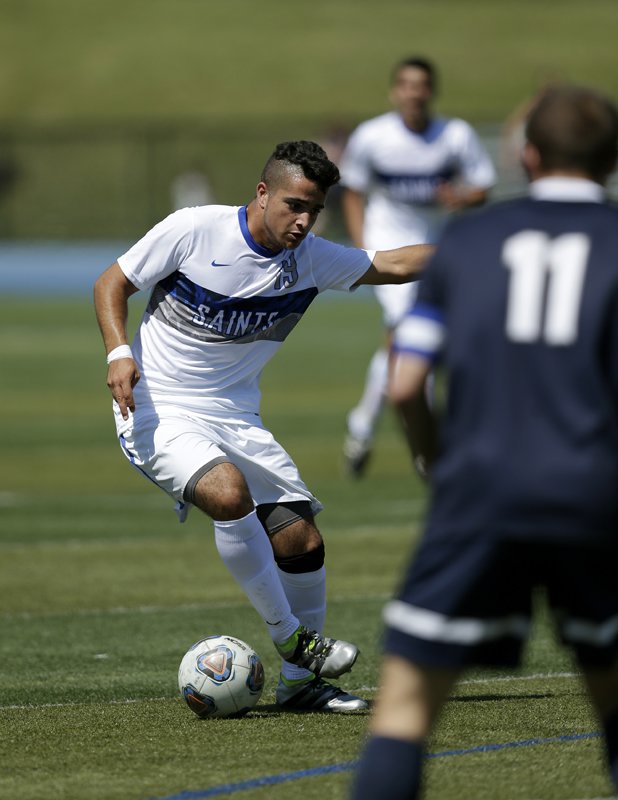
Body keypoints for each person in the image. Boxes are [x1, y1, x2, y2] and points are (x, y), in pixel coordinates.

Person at [93, 140, 432, 714]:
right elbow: (111, 283)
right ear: (261, 192)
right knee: (229, 494)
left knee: (302, 541)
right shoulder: (195, 230)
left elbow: (395, 264)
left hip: (236, 416)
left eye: (314, 210)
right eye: (294, 204)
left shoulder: (312, 258)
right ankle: (289, 636)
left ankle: (303, 684)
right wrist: (118, 353)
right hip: (157, 407)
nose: (303, 221)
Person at [350, 86, 618, 797]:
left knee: (403, 711)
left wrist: (436, 459)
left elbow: (405, 383)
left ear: (527, 155)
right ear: (612, 159)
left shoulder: (468, 240)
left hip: (479, 491)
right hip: (594, 495)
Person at [339, 56, 496, 477]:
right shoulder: (373, 136)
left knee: (400, 341)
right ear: (395, 91)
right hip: (390, 253)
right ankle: (427, 451)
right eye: (406, 84)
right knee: (412, 336)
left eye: (421, 85)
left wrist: (462, 198)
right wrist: (362, 251)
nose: (414, 92)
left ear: (431, 91)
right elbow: (352, 193)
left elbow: (483, 185)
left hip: (437, 254)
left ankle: (362, 424)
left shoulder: (455, 136)